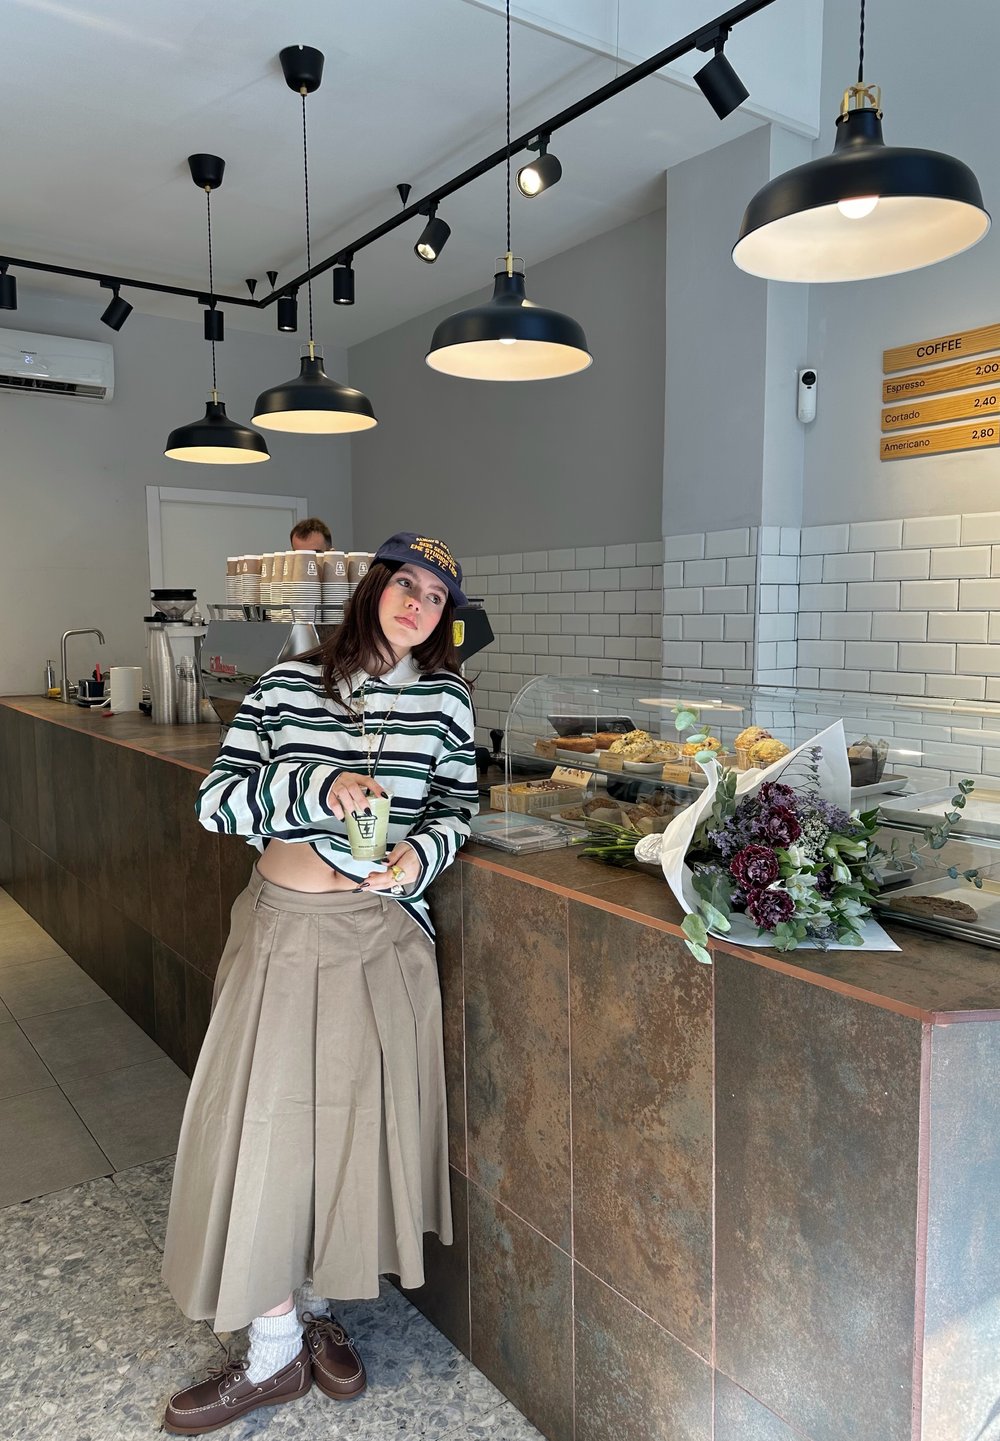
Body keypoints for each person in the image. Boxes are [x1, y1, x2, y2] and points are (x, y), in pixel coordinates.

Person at [160, 532, 478, 1435]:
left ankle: (305, 1308)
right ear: (375, 587)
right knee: (264, 1136)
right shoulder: (291, 682)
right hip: (283, 938)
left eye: (435, 598)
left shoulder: (447, 700)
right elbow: (217, 800)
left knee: (341, 1143)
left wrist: (420, 853)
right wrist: (316, 782)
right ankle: (270, 1355)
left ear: (446, 618)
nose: (416, 605)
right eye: (404, 585)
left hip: (380, 940)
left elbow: (459, 804)